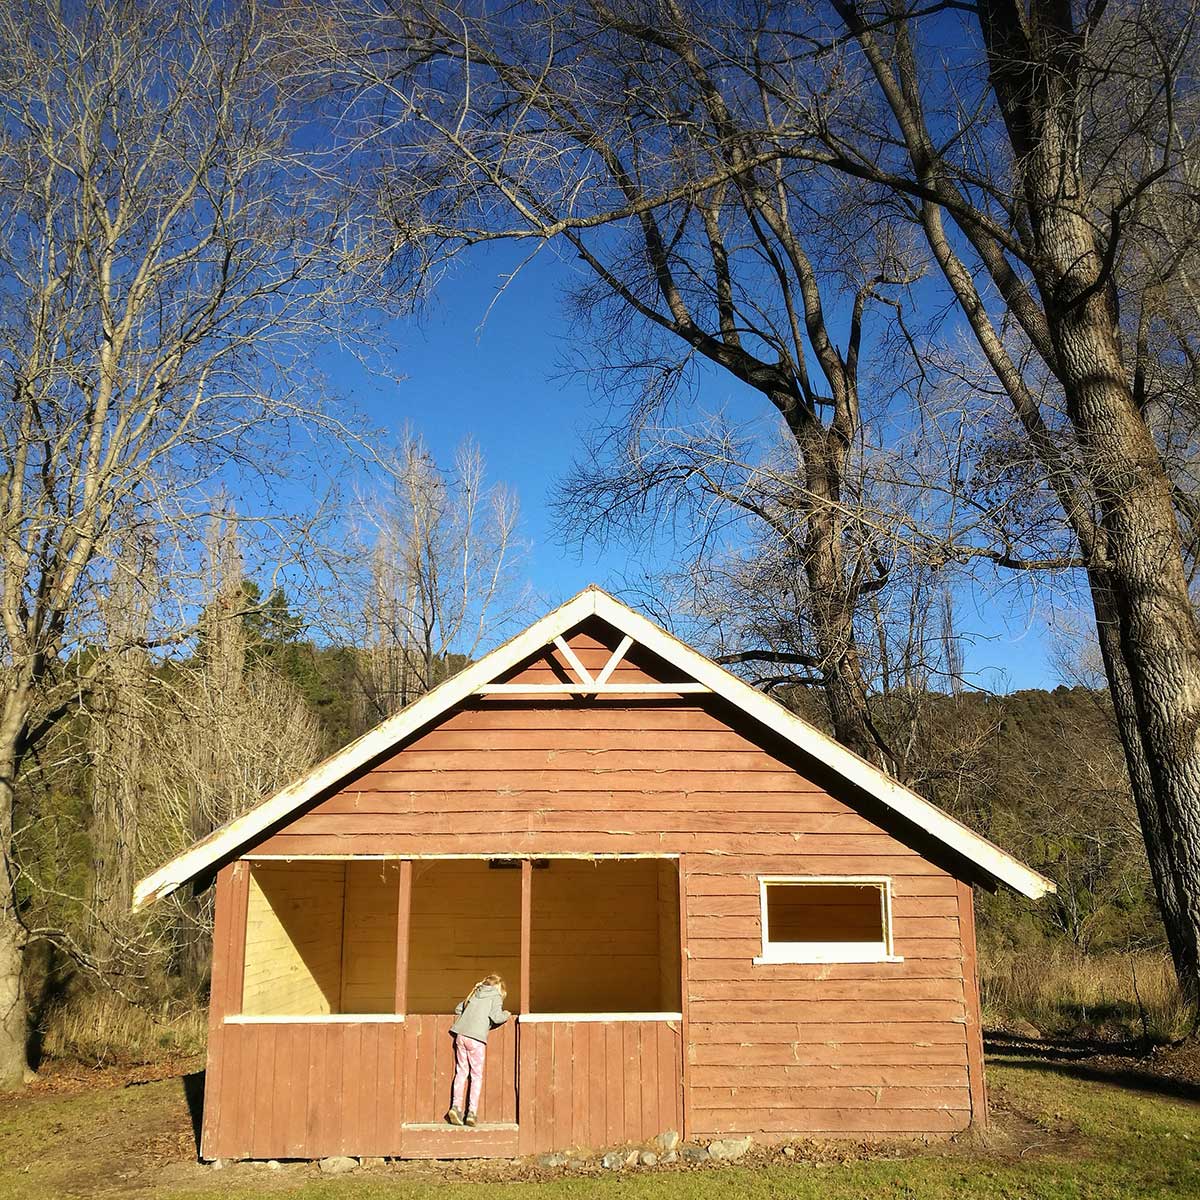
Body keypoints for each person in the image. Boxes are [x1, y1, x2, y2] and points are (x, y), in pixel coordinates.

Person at [446, 973, 511, 1126]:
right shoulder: (494, 996)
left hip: (461, 1036)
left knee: (461, 1072)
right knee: (476, 1076)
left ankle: (456, 1107)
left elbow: (458, 1009)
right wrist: (507, 1014)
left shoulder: (476, 992)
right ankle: (471, 1113)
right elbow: (496, 1017)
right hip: (476, 1039)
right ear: (497, 988)